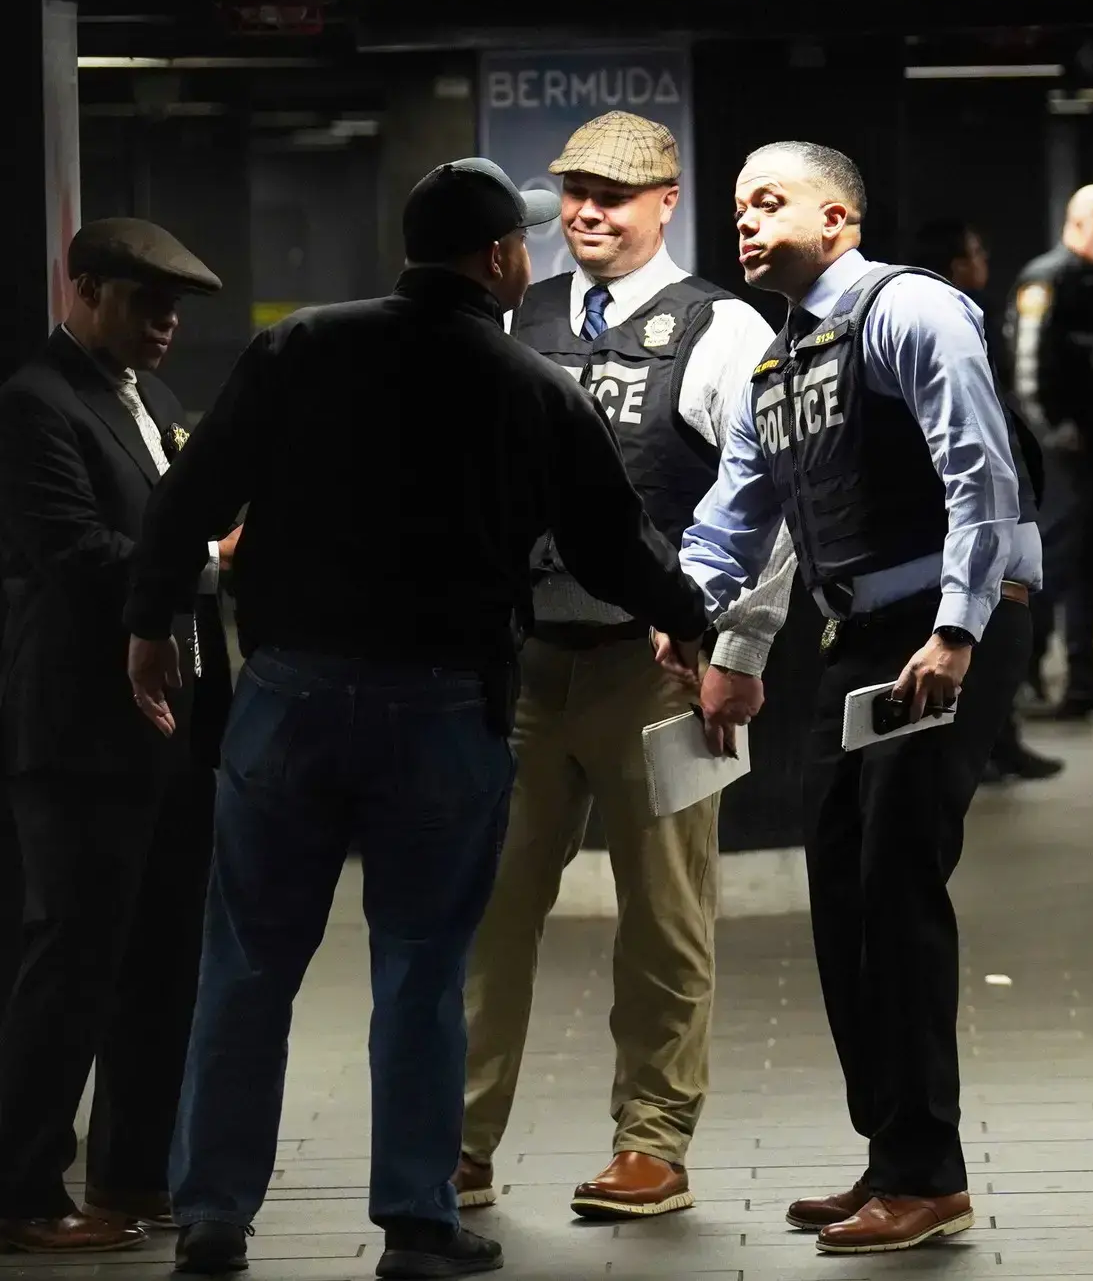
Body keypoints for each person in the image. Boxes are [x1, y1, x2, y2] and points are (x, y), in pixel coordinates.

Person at [123, 157, 712, 1279]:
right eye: (522, 242)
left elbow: (191, 493)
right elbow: (609, 542)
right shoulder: (531, 385)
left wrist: (152, 621)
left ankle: (212, 1216)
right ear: (497, 258)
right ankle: (414, 1221)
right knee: (422, 970)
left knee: (245, 964)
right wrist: (686, 621)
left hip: (287, 696)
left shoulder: (301, 346)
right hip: (441, 710)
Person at [681, 142, 1037, 1256]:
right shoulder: (777, 369)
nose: (743, 221)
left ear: (838, 218)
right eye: (736, 206)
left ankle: (927, 1171)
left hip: (941, 627)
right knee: (839, 895)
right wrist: (674, 609)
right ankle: (891, 1155)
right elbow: (729, 524)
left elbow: (980, 470)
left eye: (769, 201)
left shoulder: (909, 311)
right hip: (850, 641)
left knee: (894, 884)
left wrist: (955, 629)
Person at [455, 113, 799, 1222]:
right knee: (486, 909)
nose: (590, 211)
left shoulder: (723, 332)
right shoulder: (517, 317)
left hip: (658, 668)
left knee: (665, 915)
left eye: (616, 193)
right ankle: (457, 1140)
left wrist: (737, 648)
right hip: (522, 665)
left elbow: (771, 503)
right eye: (574, 193)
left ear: (665, 201)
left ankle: (652, 1142)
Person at [0, 220, 233, 1255]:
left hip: (174, 730)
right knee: (77, 963)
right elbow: (79, 555)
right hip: (82, 732)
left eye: (176, 308)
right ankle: (21, 1189)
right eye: (146, 303)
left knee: (162, 963)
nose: (167, 324)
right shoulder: (34, 404)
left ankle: (132, 1176)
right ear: (83, 288)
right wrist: (218, 561)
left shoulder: (160, 406)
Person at [913, 216, 1061, 782]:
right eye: (976, 251)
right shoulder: (955, 330)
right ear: (956, 265)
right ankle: (995, 746)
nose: (985, 263)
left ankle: (1001, 742)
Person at [1006, 186, 1093, 720]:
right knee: (1053, 569)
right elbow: (1027, 371)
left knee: (1086, 566)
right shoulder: (1049, 281)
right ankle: (1022, 677)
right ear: (1081, 222)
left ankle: (1082, 679)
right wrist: (1055, 434)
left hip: (1091, 458)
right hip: (1060, 461)